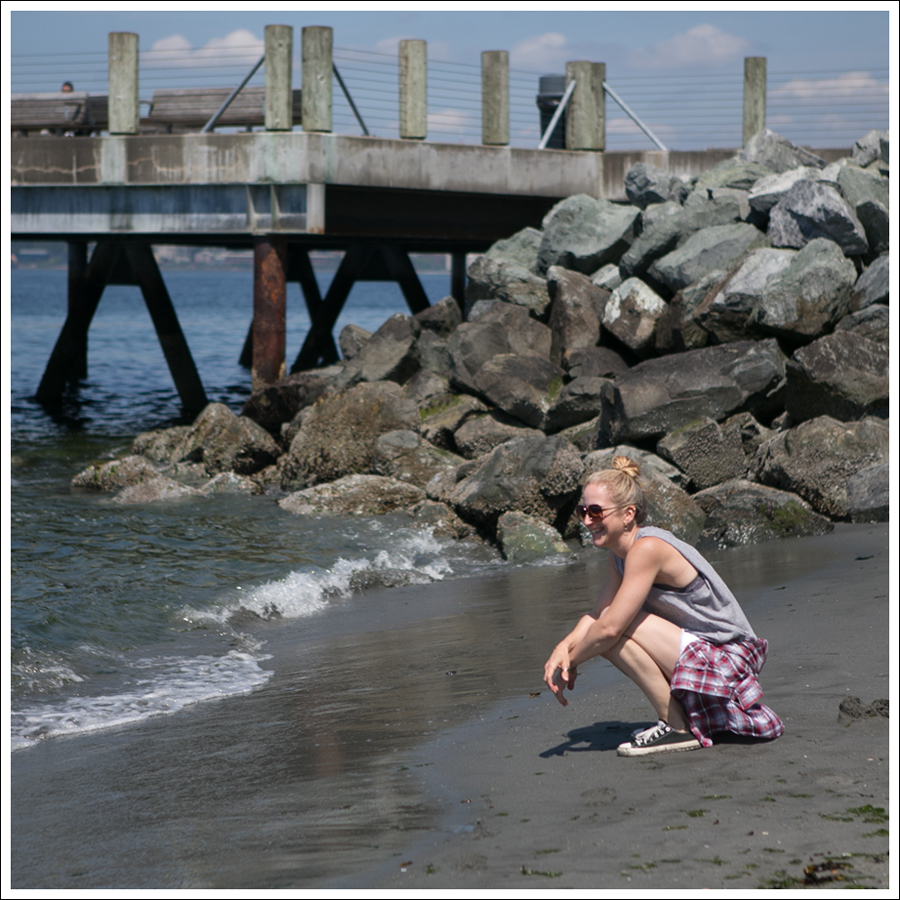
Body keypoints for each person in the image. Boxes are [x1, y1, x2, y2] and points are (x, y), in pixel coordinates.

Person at [543, 456, 784, 757]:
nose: (587, 521)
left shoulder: (647, 548)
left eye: (596, 511)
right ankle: (677, 721)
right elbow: (595, 616)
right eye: (583, 511)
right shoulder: (619, 555)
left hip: (728, 663)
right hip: (698, 654)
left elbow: (609, 627)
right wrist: (562, 648)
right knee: (604, 628)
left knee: (609, 629)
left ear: (628, 514)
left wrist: (572, 661)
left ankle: (677, 727)